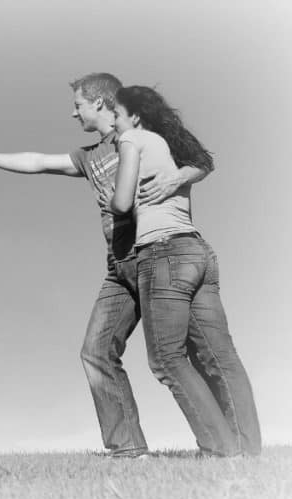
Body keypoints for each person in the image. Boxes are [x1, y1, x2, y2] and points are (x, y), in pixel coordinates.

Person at [0, 73, 211, 458]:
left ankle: (220, 446)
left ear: (100, 103)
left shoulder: (139, 133)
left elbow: (198, 162)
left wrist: (177, 178)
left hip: (157, 255)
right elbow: (36, 161)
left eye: (78, 104)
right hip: (120, 266)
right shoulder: (89, 156)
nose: (73, 113)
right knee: (96, 351)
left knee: (184, 353)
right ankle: (129, 451)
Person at [110, 85, 261, 456]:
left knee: (166, 357)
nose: (114, 122)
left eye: (116, 114)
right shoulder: (167, 141)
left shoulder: (132, 138)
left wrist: (112, 196)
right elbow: (205, 162)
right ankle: (246, 452)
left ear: (134, 116)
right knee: (220, 356)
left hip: (163, 253)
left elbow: (122, 202)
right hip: (197, 252)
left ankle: (221, 451)